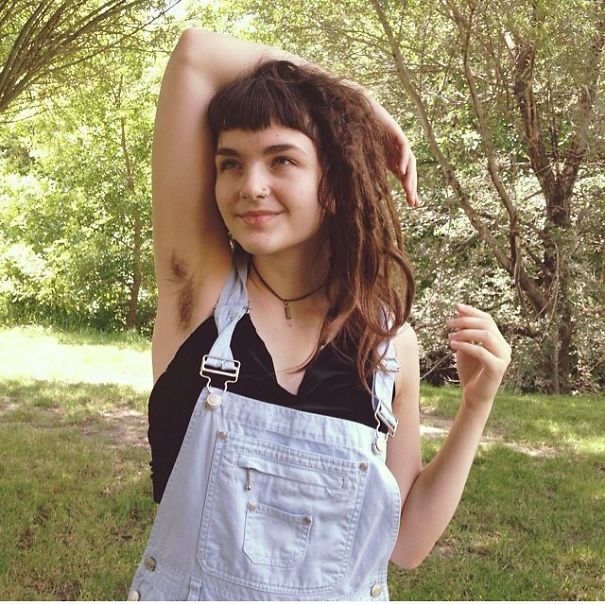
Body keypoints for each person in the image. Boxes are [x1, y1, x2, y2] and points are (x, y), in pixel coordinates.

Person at [127, 29, 511, 601]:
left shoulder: (386, 346)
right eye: (230, 163)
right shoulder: (198, 296)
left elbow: (405, 544)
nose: (251, 186)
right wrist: (357, 99)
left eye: (281, 159)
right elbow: (194, 54)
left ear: (333, 180)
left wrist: (476, 406)